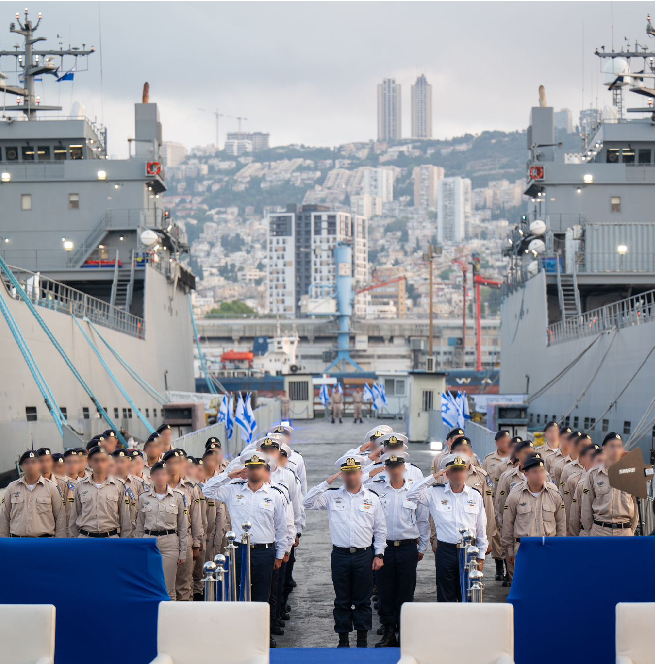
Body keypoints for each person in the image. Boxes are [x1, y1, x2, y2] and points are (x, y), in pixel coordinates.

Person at [202, 452, 289, 647]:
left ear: (264, 470)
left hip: (264, 551)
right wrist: (229, 475)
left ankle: (261, 636)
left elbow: (282, 527)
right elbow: (207, 490)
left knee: (262, 595)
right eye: (250, 467)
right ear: (246, 470)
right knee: (238, 593)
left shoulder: (275, 494)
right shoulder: (233, 490)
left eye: (258, 467)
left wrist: (279, 554)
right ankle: (240, 635)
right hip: (239, 550)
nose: (254, 471)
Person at [304, 454, 386, 649]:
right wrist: (325, 483)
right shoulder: (332, 496)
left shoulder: (371, 498)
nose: (351, 477)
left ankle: (362, 640)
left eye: (354, 473)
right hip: (340, 555)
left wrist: (379, 554)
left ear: (361, 473)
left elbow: (380, 529)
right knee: (342, 600)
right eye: (347, 473)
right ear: (342, 475)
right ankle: (342, 641)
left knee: (362, 600)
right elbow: (307, 502)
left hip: (364, 555)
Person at [407, 454, 487, 603]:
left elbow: (481, 527)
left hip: (469, 551)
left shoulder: (475, 495)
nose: (458, 474)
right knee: (445, 594)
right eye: (454, 470)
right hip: (446, 551)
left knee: (468, 594)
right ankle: (447, 625)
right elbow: (411, 494)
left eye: (461, 470)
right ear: (447, 474)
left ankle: (465, 625)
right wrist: (433, 477)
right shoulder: (435, 492)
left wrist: (481, 556)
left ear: (467, 472)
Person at [370, 451, 429, 648]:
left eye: (398, 467)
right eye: (390, 467)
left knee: (406, 590)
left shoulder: (414, 490)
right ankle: (388, 632)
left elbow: (423, 518)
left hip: (407, 547)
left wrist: (423, 546)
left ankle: (404, 632)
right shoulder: (376, 489)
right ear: (385, 469)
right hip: (385, 547)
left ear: (404, 468)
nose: (395, 471)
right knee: (385, 591)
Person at [501, 454, 566, 574]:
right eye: (535, 471)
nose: (539, 475)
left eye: (542, 471)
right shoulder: (515, 494)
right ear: (526, 474)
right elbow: (508, 524)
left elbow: (561, 522)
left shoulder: (554, 493)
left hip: (548, 547)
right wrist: (509, 551)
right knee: (524, 586)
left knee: (547, 583)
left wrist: (559, 547)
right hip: (524, 548)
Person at [135, 461, 188, 600]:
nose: (160, 477)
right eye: (157, 474)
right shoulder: (143, 497)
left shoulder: (178, 496)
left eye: (163, 474)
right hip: (149, 540)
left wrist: (182, 552)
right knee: (149, 583)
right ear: (151, 476)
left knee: (168, 586)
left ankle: (169, 619)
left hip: (169, 541)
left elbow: (183, 525)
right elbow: (139, 525)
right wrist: (139, 547)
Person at [163, 449, 203, 601]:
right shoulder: (157, 486)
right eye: (169, 463)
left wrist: (196, 544)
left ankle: (184, 620)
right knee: (166, 584)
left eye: (177, 463)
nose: (173, 466)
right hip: (165, 538)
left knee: (184, 585)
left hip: (185, 539)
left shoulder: (191, 488)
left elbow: (196, 517)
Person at [580, 433, 639, 536]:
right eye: (612, 446)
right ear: (604, 449)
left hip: (624, 532)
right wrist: (589, 532)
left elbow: (635, 505)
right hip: (600, 531)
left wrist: (631, 530)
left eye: (619, 446)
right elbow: (586, 507)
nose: (615, 450)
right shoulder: (593, 474)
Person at [69, 445, 133, 538]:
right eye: (96, 460)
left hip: (111, 539)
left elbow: (125, 518)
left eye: (103, 460)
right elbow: (74, 517)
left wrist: (123, 544)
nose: (99, 463)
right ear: (89, 462)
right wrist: (76, 543)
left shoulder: (119, 485)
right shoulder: (80, 485)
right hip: (86, 539)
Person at [0, 450, 66, 538]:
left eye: (34, 462)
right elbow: (4, 516)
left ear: (39, 465)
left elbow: (60, 517)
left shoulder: (51, 487)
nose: (30, 465)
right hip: (17, 542)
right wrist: (4, 541)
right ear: (21, 466)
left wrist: (59, 543)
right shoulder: (12, 488)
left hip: (44, 542)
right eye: (26, 463)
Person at [482, 430, 511, 580]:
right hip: (494, 501)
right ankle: (499, 568)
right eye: (502, 441)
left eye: (507, 441)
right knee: (496, 535)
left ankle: (508, 570)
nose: (505, 444)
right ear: (497, 443)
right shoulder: (489, 460)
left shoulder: (515, 458)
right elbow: (485, 481)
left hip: (510, 502)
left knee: (508, 535)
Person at [568, 443, 603, 536]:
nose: (601, 465)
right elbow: (574, 513)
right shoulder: (581, 484)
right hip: (585, 532)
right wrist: (573, 537)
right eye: (598, 461)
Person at [559, 433, 592, 523]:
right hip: (573, 515)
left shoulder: (598, 467)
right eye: (583, 446)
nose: (586, 449)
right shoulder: (567, 469)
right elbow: (564, 497)